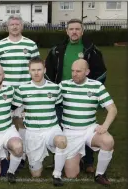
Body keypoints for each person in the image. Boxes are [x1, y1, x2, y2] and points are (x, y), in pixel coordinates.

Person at [45, 18, 107, 173]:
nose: (74, 32)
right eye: (71, 29)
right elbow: (49, 75)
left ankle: (88, 162)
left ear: (82, 31)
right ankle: (60, 158)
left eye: (77, 29)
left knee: (87, 128)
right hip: (63, 96)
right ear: (67, 31)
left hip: (84, 97)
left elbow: (101, 72)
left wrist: (92, 93)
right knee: (60, 127)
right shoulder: (57, 50)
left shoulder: (92, 50)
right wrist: (53, 93)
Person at [0, 15, 40, 168]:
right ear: (7, 27)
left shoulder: (30, 45)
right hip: (5, 92)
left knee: (22, 122)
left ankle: (23, 154)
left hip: (25, 92)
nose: (14, 27)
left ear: (22, 26)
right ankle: (6, 154)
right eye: (11, 24)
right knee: (6, 122)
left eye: (17, 24)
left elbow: (36, 68)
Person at [12, 58, 67, 186]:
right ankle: (36, 163)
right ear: (29, 71)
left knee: (61, 141)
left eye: (39, 69)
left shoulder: (54, 88)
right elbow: (12, 109)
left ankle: (57, 174)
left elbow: (59, 107)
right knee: (36, 175)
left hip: (51, 128)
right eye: (33, 70)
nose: (36, 73)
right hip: (33, 132)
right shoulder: (22, 89)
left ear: (44, 70)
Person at [60, 59, 116, 186]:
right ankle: (78, 158)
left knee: (108, 141)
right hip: (70, 132)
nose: (74, 74)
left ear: (87, 72)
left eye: (78, 71)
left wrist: (105, 126)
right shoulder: (64, 85)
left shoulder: (97, 86)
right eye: (73, 71)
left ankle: (100, 174)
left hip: (89, 129)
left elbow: (112, 109)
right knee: (71, 175)